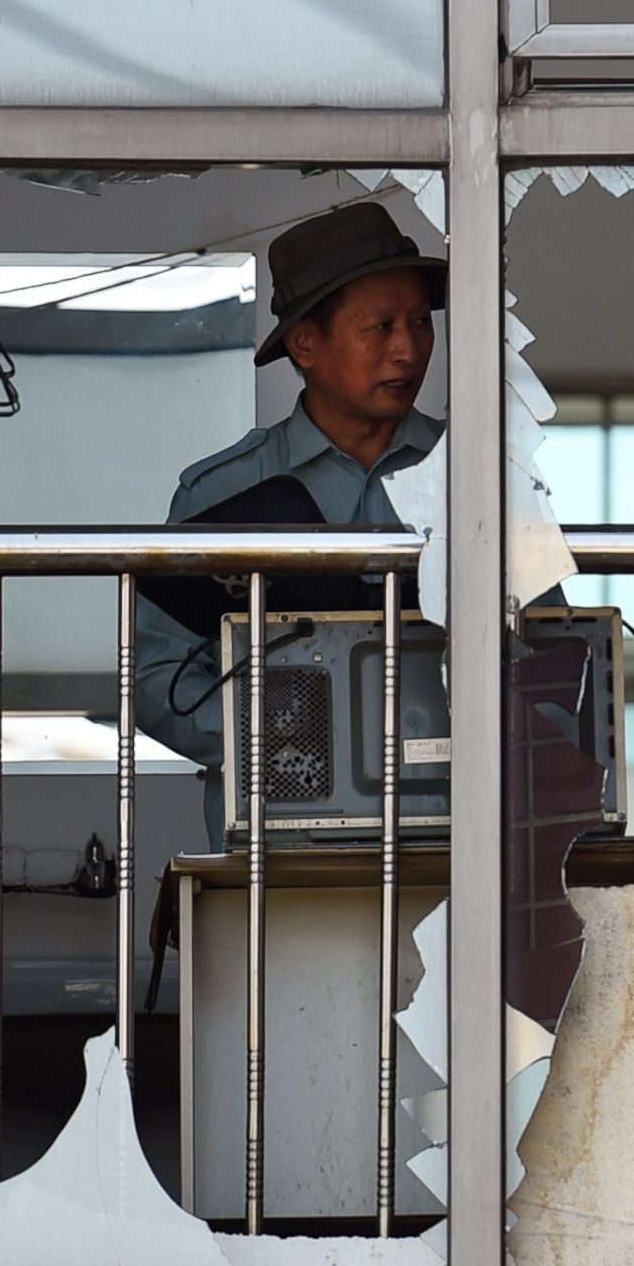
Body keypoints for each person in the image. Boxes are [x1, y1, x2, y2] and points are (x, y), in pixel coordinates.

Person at [132, 201, 446, 819]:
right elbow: (154, 682)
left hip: (450, 835)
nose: (408, 349)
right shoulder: (223, 493)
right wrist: (292, 747)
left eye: (419, 322)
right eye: (380, 327)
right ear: (305, 343)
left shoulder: (480, 479)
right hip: (276, 849)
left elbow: (550, 656)